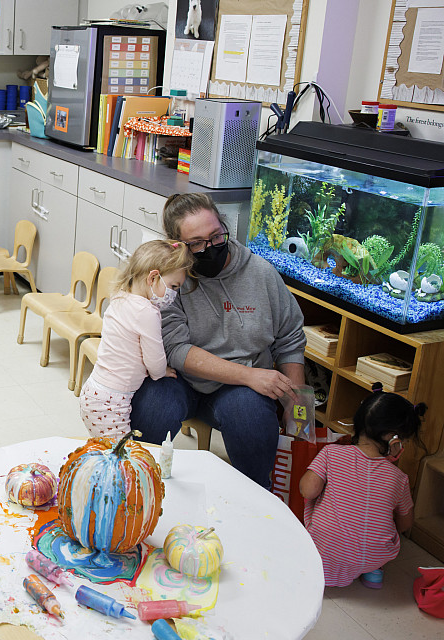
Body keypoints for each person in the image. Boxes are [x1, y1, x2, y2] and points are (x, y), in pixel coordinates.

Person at [130, 193, 307, 488]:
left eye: (216, 236)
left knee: (253, 422)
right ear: (178, 246)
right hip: (181, 379)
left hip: (238, 389)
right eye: (197, 243)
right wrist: (250, 375)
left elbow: (290, 337)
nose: (209, 248)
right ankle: (137, 489)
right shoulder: (170, 279)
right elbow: (175, 349)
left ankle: (254, 504)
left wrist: (298, 402)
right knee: (150, 411)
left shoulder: (261, 274)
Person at [300, 390, 422, 588]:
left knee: (316, 502)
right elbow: (406, 523)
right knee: (385, 525)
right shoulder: (399, 478)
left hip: (325, 549)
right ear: (395, 441)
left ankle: (327, 566)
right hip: (374, 557)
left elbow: (308, 491)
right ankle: (372, 571)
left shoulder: (332, 453)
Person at [80, 240, 192, 439]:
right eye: (173, 286)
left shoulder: (120, 297)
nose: (174, 295)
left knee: (107, 452)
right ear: (153, 277)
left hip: (94, 391)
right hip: (112, 401)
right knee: (123, 459)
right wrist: (163, 372)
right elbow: (154, 361)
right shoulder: (148, 312)